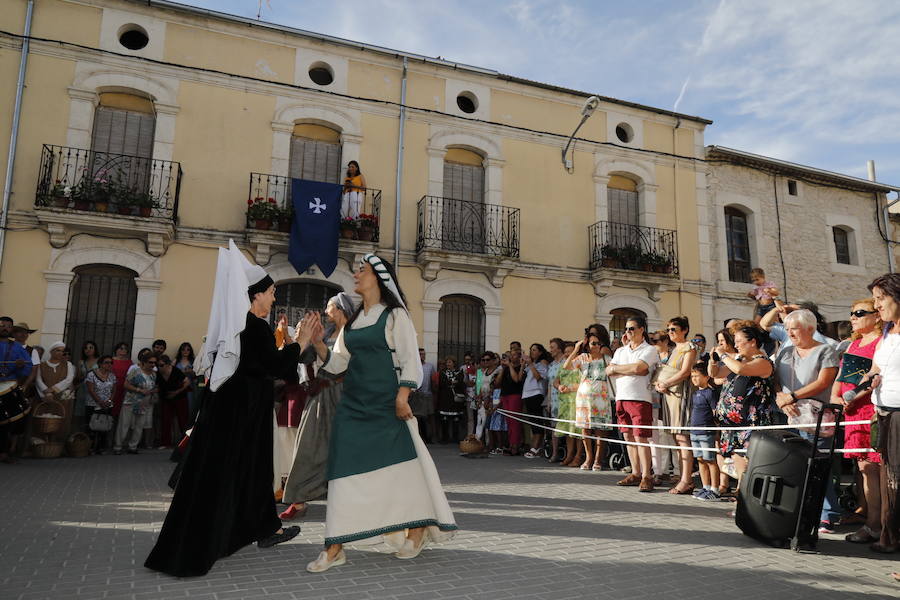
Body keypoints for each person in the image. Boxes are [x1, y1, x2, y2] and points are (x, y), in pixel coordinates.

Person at [146, 240, 302, 577]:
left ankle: (262, 528)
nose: (274, 298)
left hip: (235, 412)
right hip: (242, 414)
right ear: (255, 295)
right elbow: (275, 366)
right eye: (272, 292)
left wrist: (286, 346)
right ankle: (234, 534)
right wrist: (298, 343)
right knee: (235, 471)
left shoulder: (240, 327)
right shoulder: (252, 326)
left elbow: (264, 365)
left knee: (248, 471)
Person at [301, 253, 456, 572]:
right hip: (353, 405)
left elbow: (411, 360)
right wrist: (317, 344)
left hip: (387, 404)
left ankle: (417, 527)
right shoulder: (354, 321)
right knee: (342, 472)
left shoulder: (395, 315)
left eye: (363, 270)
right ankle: (334, 547)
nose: (357, 275)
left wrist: (403, 397)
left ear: (379, 277)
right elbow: (338, 363)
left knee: (402, 470)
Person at [281, 292, 355, 521]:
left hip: (345, 397)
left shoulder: (354, 335)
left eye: (330, 307)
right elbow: (304, 359)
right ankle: (299, 500)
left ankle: (350, 500)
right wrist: (294, 338)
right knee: (307, 445)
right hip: (321, 396)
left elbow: (344, 367)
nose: (325, 311)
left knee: (346, 450)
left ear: (341, 309)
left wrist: (318, 341)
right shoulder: (329, 332)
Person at [772, 309, 840, 532]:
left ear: (810, 329)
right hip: (789, 415)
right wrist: (781, 397)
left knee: (818, 464)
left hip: (816, 416)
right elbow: (774, 380)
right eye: (788, 329)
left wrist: (792, 396)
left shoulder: (825, 350)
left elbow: (823, 382)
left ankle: (827, 514)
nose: (790, 332)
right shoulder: (784, 352)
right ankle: (800, 510)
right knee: (795, 465)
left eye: (795, 328)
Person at [832, 298, 882, 544]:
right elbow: (843, 376)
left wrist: (852, 397)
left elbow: (876, 375)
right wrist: (835, 396)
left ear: (876, 316)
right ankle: (872, 520)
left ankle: (878, 524)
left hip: (871, 408)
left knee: (877, 468)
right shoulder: (854, 344)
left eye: (860, 313)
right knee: (863, 468)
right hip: (853, 410)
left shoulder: (882, 342)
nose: (853, 317)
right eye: (852, 313)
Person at [863, 273, 900, 557]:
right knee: (889, 478)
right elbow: (877, 368)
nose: (877, 306)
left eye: (880, 298)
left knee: (897, 478)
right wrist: (871, 378)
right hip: (883, 412)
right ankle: (889, 536)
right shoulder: (887, 333)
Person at [712, 323, 774, 482]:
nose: (736, 345)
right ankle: (741, 497)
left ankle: (745, 497)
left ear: (752, 342)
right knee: (739, 462)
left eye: (739, 341)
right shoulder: (739, 359)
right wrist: (713, 361)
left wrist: (724, 355)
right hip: (734, 424)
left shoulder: (762, 362)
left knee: (748, 462)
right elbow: (716, 374)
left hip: (751, 422)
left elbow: (741, 370)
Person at [607, 316, 659, 492]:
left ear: (641, 329)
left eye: (632, 329)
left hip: (640, 398)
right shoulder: (621, 351)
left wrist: (618, 369)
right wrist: (625, 368)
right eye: (626, 329)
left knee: (641, 437)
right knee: (628, 436)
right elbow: (609, 370)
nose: (628, 332)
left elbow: (640, 368)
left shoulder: (650, 349)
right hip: (621, 397)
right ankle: (635, 472)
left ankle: (647, 476)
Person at [654, 316, 699, 495]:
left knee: (682, 437)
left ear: (684, 330)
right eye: (669, 330)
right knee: (676, 438)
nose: (670, 333)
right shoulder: (674, 349)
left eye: (674, 329)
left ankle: (687, 479)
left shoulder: (689, 347)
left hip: (682, 394)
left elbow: (685, 371)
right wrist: (659, 384)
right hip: (669, 396)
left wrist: (665, 383)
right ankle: (683, 477)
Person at [565, 331, 612, 470]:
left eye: (598, 343)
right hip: (584, 399)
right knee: (585, 429)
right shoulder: (583, 357)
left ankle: (598, 459)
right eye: (593, 343)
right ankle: (588, 458)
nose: (596, 346)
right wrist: (575, 350)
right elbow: (566, 366)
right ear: (587, 345)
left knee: (600, 430)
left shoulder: (606, 359)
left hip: (601, 399)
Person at [0, 317, 32, 464]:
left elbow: (28, 367)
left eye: (8, 326)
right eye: (2, 325)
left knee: (7, 422)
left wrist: (20, 367)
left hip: (8, 388)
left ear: (11, 329)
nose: (5, 328)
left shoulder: (17, 347)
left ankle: (4, 453)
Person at [115, 352, 158, 455]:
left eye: (154, 363)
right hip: (130, 401)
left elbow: (154, 387)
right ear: (144, 362)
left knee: (139, 425)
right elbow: (126, 384)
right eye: (150, 362)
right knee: (124, 424)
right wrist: (139, 390)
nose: (152, 364)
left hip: (144, 403)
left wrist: (153, 392)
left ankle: (133, 446)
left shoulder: (154, 375)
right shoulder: (135, 371)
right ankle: (118, 446)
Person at [689, 362, 720, 500]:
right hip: (694, 431)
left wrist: (718, 432)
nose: (694, 378)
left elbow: (715, 413)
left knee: (710, 460)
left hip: (707, 432)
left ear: (707, 377)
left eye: (697, 376)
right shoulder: (695, 393)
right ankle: (705, 487)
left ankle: (715, 489)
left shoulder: (711, 393)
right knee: (700, 460)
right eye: (692, 376)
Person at [35, 341, 76, 442]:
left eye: (63, 351)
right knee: (43, 422)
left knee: (61, 421)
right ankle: (40, 444)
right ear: (51, 351)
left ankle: (58, 445)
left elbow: (69, 379)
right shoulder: (41, 365)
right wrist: (46, 393)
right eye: (58, 350)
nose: (60, 353)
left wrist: (52, 390)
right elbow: (38, 380)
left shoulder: (68, 364)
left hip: (61, 398)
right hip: (45, 398)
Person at [760, 299, 839, 349]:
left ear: (807, 314)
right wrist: (776, 310)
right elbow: (764, 324)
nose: (788, 315)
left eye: (791, 312)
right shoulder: (786, 331)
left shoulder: (829, 344)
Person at [556, 341, 583, 467]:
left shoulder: (581, 363)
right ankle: (569, 455)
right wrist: (559, 386)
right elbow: (556, 381)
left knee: (577, 431)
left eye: (571, 351)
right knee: (568, 431)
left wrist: (570, 388)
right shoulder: (564, 365)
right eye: (566, 351)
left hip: (577, 400)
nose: (568, 354)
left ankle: (578, 456)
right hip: (565, 402)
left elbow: (585, 381)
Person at [522, 343, 550, 459]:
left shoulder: (542, 363)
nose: (532, 352)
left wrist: (530, 364)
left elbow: (539, 377)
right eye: (531, 350)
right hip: (527, 394)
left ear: (540, 352)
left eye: (534, 350)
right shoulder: (531, 364)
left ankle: (536, 447)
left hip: (536, 393)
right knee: (532, 421)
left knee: (537, 421)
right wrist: (525, 363)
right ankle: (536, 447)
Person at [156, 354, 190, 449]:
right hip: (166, 398)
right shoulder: (158, 373)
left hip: (180, 398)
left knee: (183, 420)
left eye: (161, 365)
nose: (159, 367)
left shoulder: (176, 371)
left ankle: (186, 443)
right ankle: (165, 443)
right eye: (158, 365)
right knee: (165, 419)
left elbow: (187, 382)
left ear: (168, 365)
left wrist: (176, 392)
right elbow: (157, 386)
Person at [496, 347, 525, 455]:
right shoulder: (505, 368)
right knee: (508, 422)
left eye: (513, 355)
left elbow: (517, 379)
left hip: (515, 395)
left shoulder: (519, 367)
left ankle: (515, 446)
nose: (511, 358)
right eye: (510, 356)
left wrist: (510, 366)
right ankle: (511, 444)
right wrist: (503, 368)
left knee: (515, 422)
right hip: (505, 395)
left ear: (519, 357)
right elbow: (497, 383)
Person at [85, 355, 116, 454]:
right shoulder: (91, 374)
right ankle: (90, 448)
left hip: (107, 405)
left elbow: (114, 390)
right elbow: (91, 389)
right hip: (93, 404)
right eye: (106, 362)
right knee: (92, 427)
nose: (109, 364)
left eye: (111, 363)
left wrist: (109, 401)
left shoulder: (112, 376)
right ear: (100, 364)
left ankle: (101, 447)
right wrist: (100, 402)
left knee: (104, 427)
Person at [545, 338, 566, 462]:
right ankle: (555, 452)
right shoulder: (552, 364)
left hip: (564, 398)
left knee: (566, 426)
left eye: (552, 347)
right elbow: (549, 384)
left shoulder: (565, 362)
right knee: (554, 427)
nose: (550, 350)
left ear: (559, 348)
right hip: (553, 398)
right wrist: (548, 401)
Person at [409, 348, 436, 443]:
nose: (422, 356)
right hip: (416, 395)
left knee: (429, 416)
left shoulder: (430, 366)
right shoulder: (413, 366)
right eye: (420, 354)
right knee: (418, 417)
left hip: (427, 395)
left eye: (423, 354)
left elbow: (433, 381)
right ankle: (420, 437)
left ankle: (432, 437)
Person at [436, 357, 465, 444]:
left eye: (449, 362)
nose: (448, 364)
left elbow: (460, 382)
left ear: (454, 363)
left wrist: (453, 383)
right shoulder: (443, 373)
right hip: (445, 399)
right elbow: (442, 384)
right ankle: (445, 438)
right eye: (447, 362)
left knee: (456, 419)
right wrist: (452, 383)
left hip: (455, 399)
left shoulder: (459, 372)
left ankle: (455, 438)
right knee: (444, 419)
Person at [74, 340, 100, 433]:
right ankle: (81, 437)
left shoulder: (100, 361)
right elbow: (78, 376)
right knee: (81, 414)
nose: (88, 350)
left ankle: (92, 438)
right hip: (83, 389)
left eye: (91, 347)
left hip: (96, 390)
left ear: (95, 349)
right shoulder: (81, 362)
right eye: (85, 348)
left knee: (94, 414)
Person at [174, 342, 198, 423]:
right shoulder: (176, 361)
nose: (185, 351)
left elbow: (197, 375)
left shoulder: (193, 362)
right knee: (178, 409)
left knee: (190, 408)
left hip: (190, 388)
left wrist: (192, 372)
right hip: (178, 388)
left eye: (188, 349)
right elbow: (170, 374)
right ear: (180, 351)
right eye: (183, 349)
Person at [109, 342, 133, 420]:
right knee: (111, 407)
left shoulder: (129, 362)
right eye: (121, 348)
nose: (123, 350)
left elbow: (131, 376)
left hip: (125, 388)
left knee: (121, 411)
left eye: (125, 348)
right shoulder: (111, 360)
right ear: (116, 350)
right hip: (112, 387)